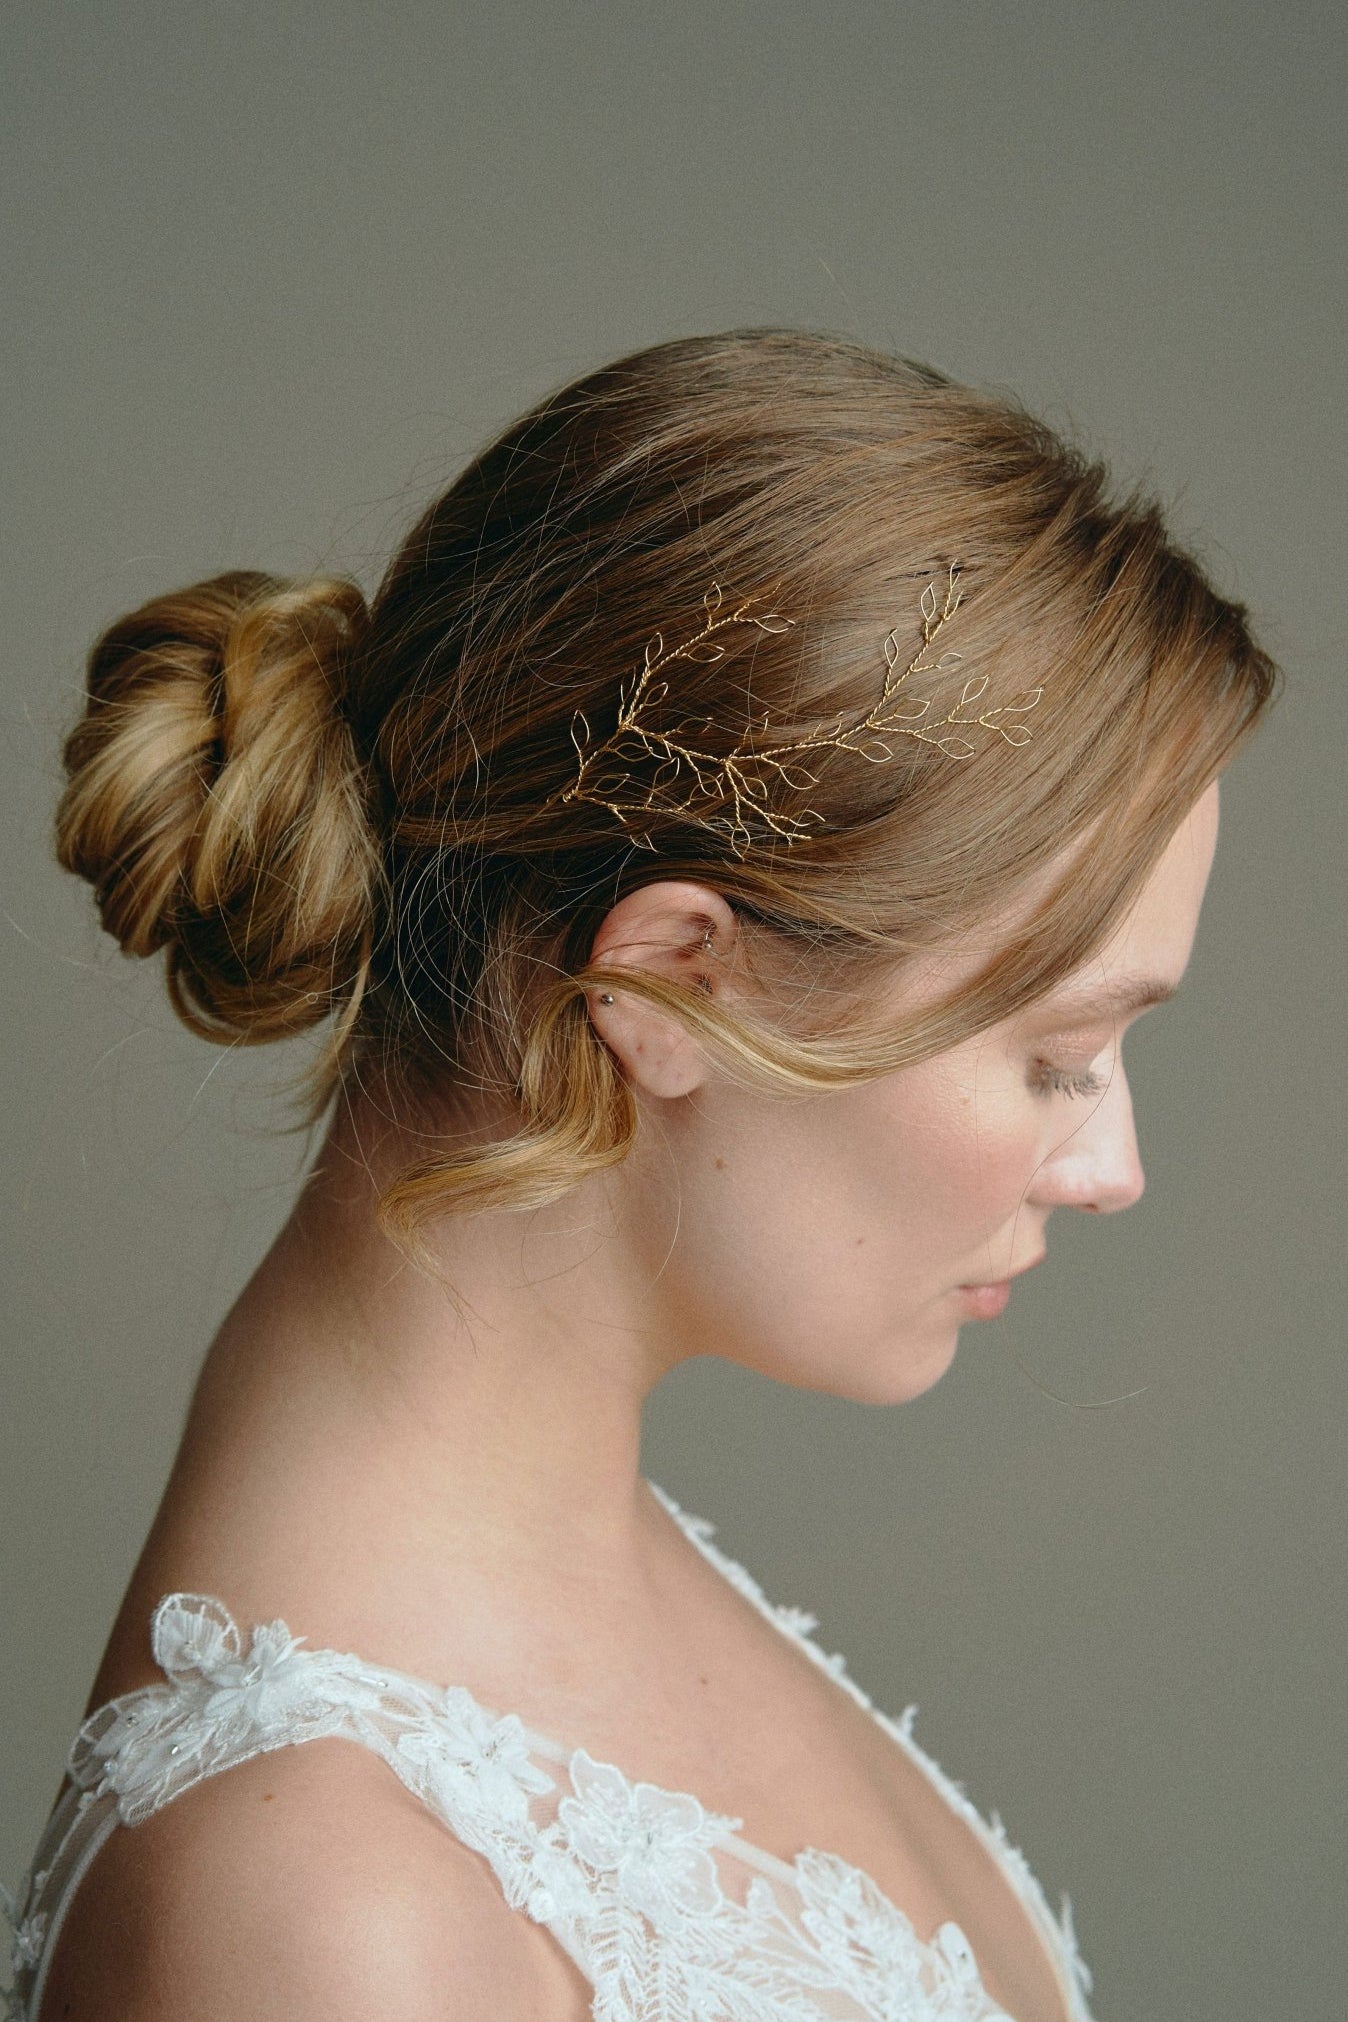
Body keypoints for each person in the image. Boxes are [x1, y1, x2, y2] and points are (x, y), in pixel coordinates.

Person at [2, 329, 1277, 2022]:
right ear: (673, 981)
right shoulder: (325, 1920)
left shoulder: (580, 1572)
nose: (1111, 1165)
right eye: (1052, 1054)